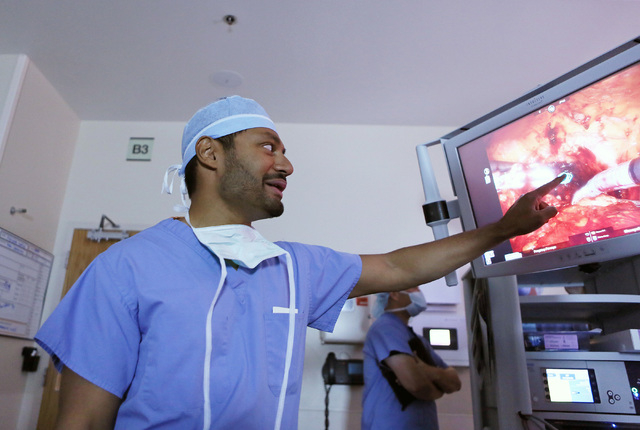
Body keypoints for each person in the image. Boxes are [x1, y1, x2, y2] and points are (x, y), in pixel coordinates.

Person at [35, 95, 564, 430]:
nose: (286, 164)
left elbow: (399, 268)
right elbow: (82, 422)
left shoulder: (291, 267)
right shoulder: (125, 269)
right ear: (211, 154)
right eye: (268, 147)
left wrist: (502, 229)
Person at [362, 288, 461, 430]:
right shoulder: (385, 328)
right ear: (394, 294)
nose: (419, 292)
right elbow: (416, 385)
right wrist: (438, 390)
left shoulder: (416, 338)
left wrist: (428, 371)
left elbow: (455, 383)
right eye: (414, 287)